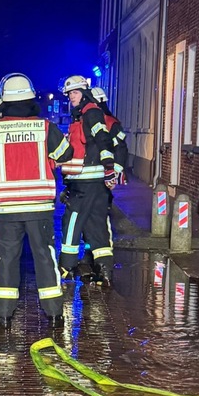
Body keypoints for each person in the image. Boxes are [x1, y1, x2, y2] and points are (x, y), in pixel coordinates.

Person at [0, 73, 73, 329]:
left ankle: (3, 314)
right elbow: (66, 153)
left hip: (7, 207)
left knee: (7, 258)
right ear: (31, 99)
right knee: (45, 257)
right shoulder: (45, 127)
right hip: (39, 206)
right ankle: (54, 314)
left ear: (5, 101)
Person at [57, 75, 117, 285]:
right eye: (69, 94)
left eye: (75, 93)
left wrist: (109, 168)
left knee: (72, 221)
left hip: (85, 181)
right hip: (91, 182)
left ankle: (66, 266)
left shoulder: (91, 113)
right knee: (95, 225)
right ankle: (104, 270)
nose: (71, 97)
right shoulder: (82, 115)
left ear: (84, 93)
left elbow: (103, 139)